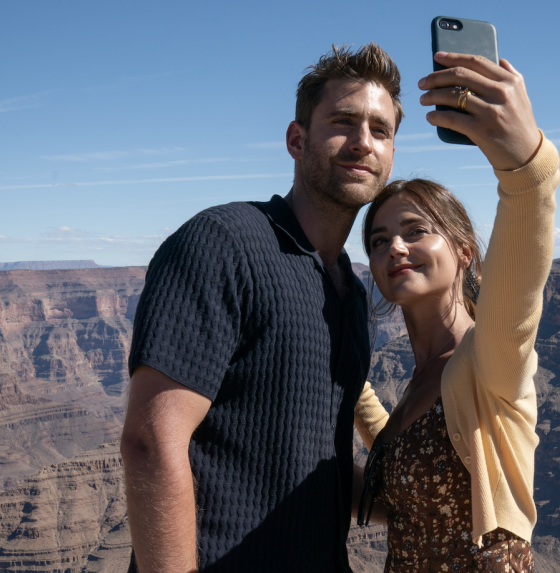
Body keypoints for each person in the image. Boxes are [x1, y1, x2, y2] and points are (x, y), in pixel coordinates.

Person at [120, 43, 402, 573]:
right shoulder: (223, 243)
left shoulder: (350, 289)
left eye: (380, 130)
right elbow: (150, 441)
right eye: (343, 121)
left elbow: (322, 463)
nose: (363, 142)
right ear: (297, 140)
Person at [353, 51, 559, 572]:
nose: (395, 247)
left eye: (416, 231)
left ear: (464, 251)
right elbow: (403, 467)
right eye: (379, 241)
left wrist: (526, 169)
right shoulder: (424, 381)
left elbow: (521, 279)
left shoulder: (489, 359)